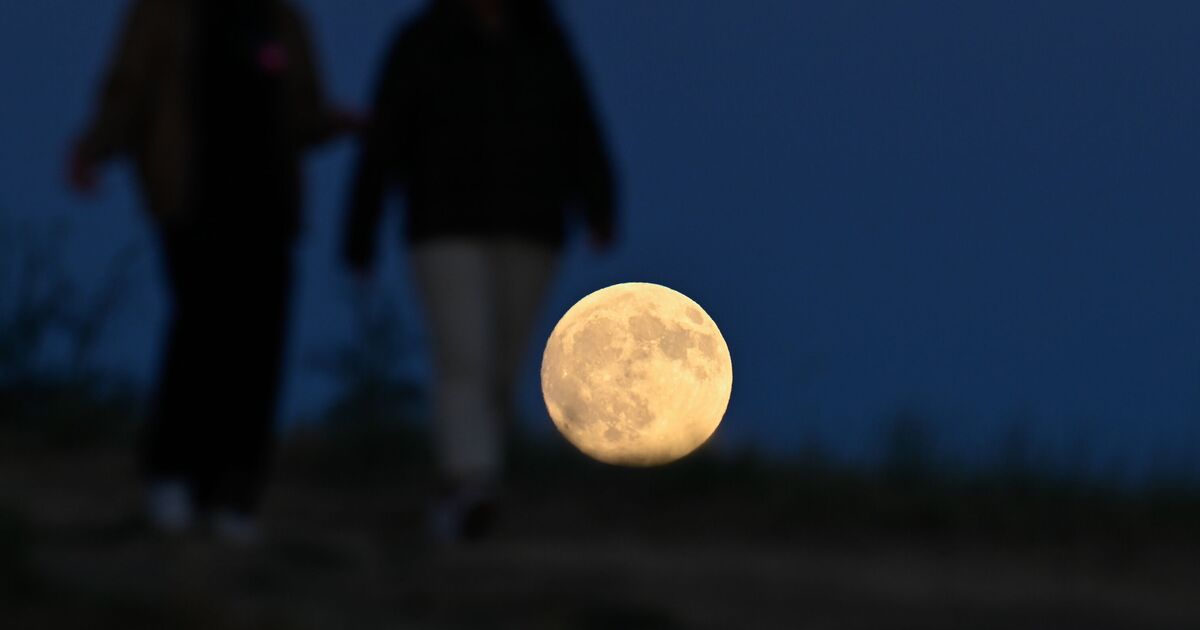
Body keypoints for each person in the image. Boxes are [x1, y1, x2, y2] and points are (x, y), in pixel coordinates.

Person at [69, 0, 355, 543]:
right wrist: (94, 148)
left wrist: (338, 123)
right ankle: (173, 476)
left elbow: (303, 111)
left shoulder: (282, 18)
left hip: (270, 209)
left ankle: (236, 494)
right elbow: (129, 91)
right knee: (201, 333)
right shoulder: (163, 14)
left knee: (258, 349)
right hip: (194, 202)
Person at [343, 0, 617, 542]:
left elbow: (580, 124)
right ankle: (472, 483)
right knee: (463, 354)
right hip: (444, 224)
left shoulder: (546, 40)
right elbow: (387, 135)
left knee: (501, 365)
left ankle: (464, 490)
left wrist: (600, 204)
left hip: (532, 226)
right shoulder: (421, 40)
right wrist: (361, 231)